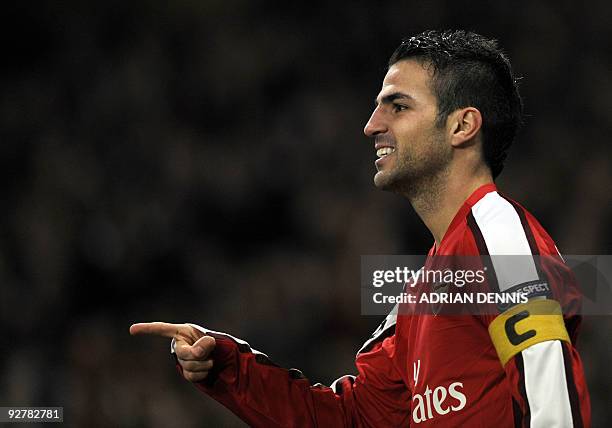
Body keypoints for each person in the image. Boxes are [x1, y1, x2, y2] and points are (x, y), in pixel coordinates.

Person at [130, 30, 591, 427]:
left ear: (462, 126)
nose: (372, 126)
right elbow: (354, 418)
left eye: (398, 106)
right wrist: (227, 369)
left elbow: (551, 403)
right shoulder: (422, 294)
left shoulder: (499, 234)